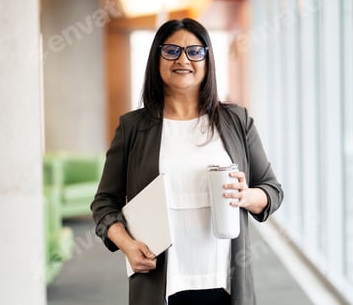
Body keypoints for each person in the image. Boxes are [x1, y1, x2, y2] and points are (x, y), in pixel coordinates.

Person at [91, 18, 283, 305]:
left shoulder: (236, 120)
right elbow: (104, 204)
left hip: (225, 282)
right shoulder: (133, 127)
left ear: (207, 60)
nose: (183, 59)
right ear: (156, 58)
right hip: (161, 283)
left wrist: (246, 196)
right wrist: (128, 245)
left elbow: (272, 191)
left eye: (195, 51)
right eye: (171, 51)